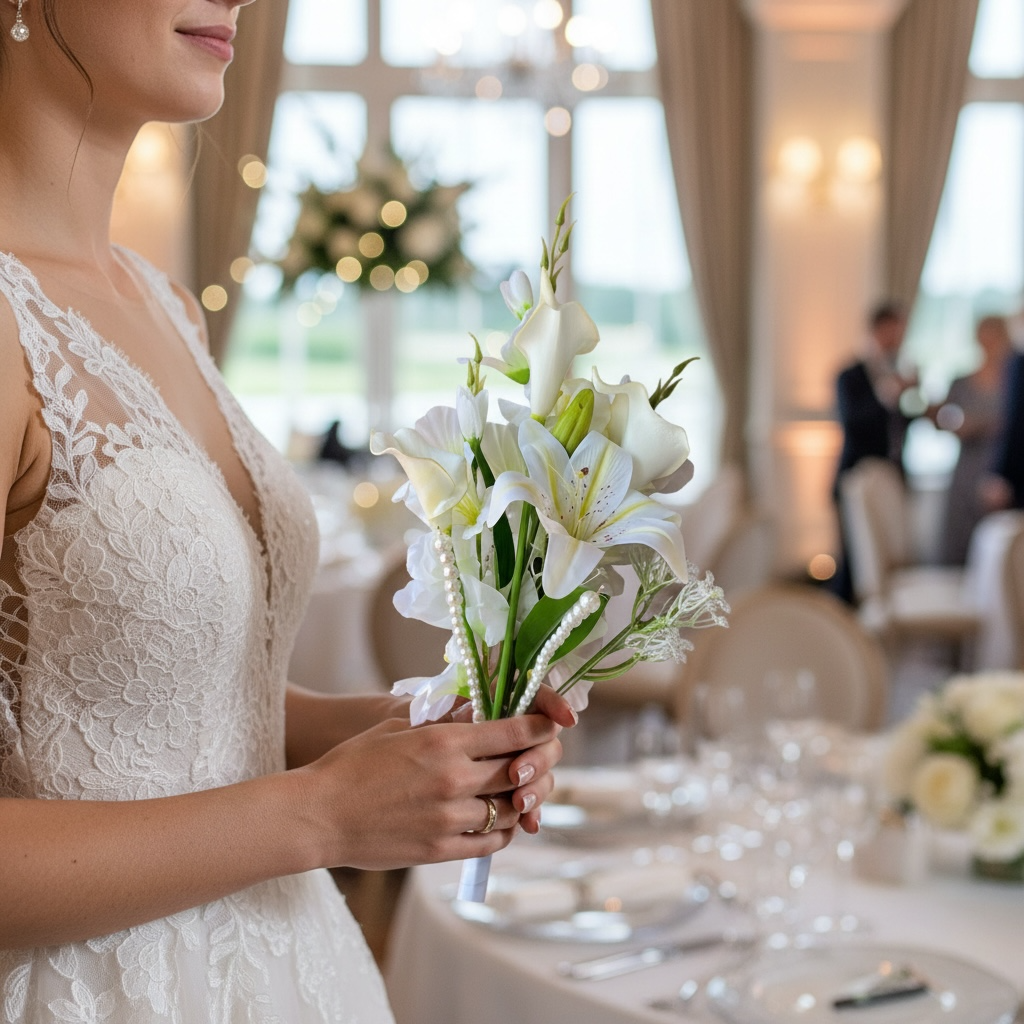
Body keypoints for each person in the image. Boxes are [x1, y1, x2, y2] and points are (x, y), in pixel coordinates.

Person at [0, 3, 574, 1021]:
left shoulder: (160, 300)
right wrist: (320, 816)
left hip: (296, 973)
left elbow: (184, 709)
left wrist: (404, 733)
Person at [830, 301, 921, 602]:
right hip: (856, 475)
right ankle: (841, 625)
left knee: (889, 558)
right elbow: (853, 422)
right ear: (878, 329)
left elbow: (897, 425)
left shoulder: (898, 373)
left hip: (893, 475)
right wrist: (890, 392)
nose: (899, 337)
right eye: (894, 330)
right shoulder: (850, 375)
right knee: (855, 560)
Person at [935, 315, 1011, 564]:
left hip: (1003, 466)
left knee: (1003, 540)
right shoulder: (961, 380)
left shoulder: (1014, 381)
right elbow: (942, 419)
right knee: (963, 538)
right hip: (968, 468)